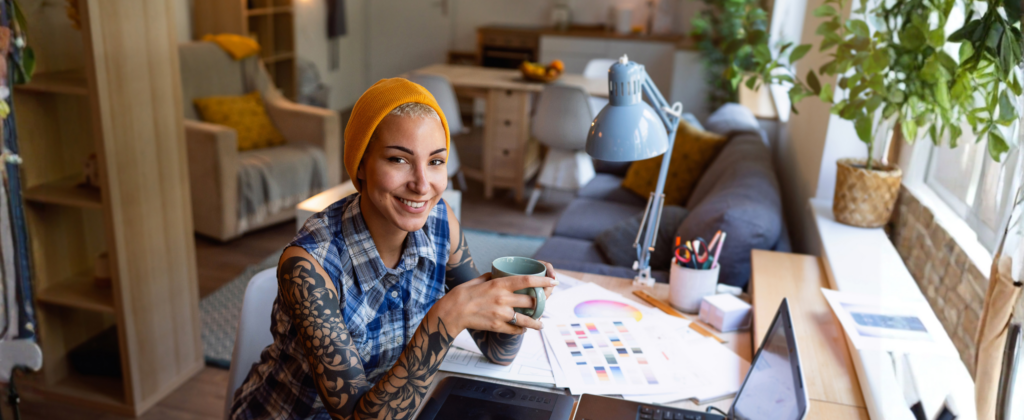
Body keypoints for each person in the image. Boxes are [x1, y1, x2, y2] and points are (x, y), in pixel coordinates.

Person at [229, 78, 558, 420]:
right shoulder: (309, 266)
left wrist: (522, 296)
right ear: (361, 165)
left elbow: (497, 352)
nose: (422, 185)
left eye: (435, 161)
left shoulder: (441, 223)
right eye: (399, 160)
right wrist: (447, 318)